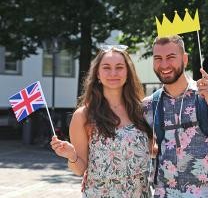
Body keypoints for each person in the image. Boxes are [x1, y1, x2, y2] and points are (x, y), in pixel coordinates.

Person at [142, 35, 208, 197]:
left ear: (185, 59)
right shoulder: (149, 106)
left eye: (171, 57)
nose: (164, 64)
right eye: (158, 58)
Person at [50, 45, 154, 197]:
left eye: (119, 67)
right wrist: (71, 155)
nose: (113, 73)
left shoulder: (143, 110)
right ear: (97, 74)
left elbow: (154, 150)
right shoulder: (83, 116)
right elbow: (79, 169)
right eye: (106, 67)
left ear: (128, 73)